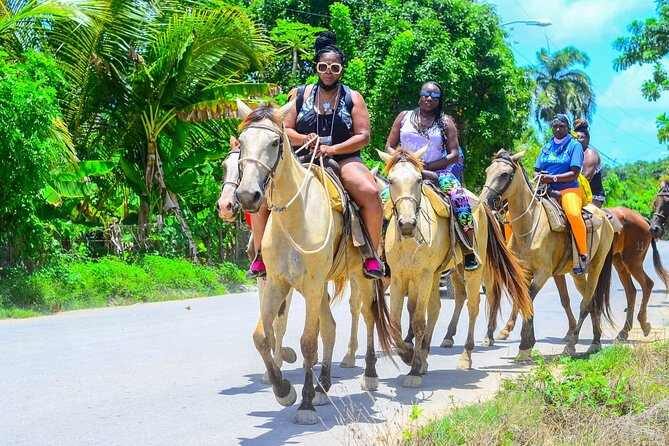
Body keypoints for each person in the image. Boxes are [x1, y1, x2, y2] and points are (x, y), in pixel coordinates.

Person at [246, 31, 384, 280]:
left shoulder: (353, 97)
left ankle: (371, 254)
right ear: (316, 68)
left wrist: (333, 149)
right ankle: (260, 256)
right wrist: (305, 139)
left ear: (342, 70)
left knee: (371, 193)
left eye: (334, 67)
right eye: (323, 67)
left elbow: (363, 136)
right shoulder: (299, 94)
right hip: (301, 157)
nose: (328, 71)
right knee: (263, 197)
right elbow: (284, 129)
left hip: (344, 158)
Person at [384, 81, 479, 270]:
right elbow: (389, 146)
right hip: (405, 171)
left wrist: (426, 166)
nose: (429, 98)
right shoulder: (404, 117)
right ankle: (380, 251)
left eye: (435, 96)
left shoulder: (446, 122)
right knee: (381, 201)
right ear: (419, 96)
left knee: (460, 200)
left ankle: (468, 250)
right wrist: (403, 160)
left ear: (440, 100)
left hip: (437, 172)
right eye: (426, 94)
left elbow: (454, 155)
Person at [535, 114, 588, 274]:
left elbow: (574, 172)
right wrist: (538, 176)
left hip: (568, 189)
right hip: (545, 190)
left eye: (562, 126)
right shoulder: (546, 147)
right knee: (512, 214)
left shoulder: (574, 146)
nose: (558, 129)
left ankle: (582, 255)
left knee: (572, 214)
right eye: (555, 126)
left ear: (568, 128)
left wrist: (552, 178)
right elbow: (536, 170)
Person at [573, 119, 605, 208]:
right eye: (575, 138)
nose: (577, 141)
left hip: (592, 198)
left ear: (588, 139)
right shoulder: (571, 154)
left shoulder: (590, 153)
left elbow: (585, 179)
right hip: (573, 192)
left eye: (580, 137)